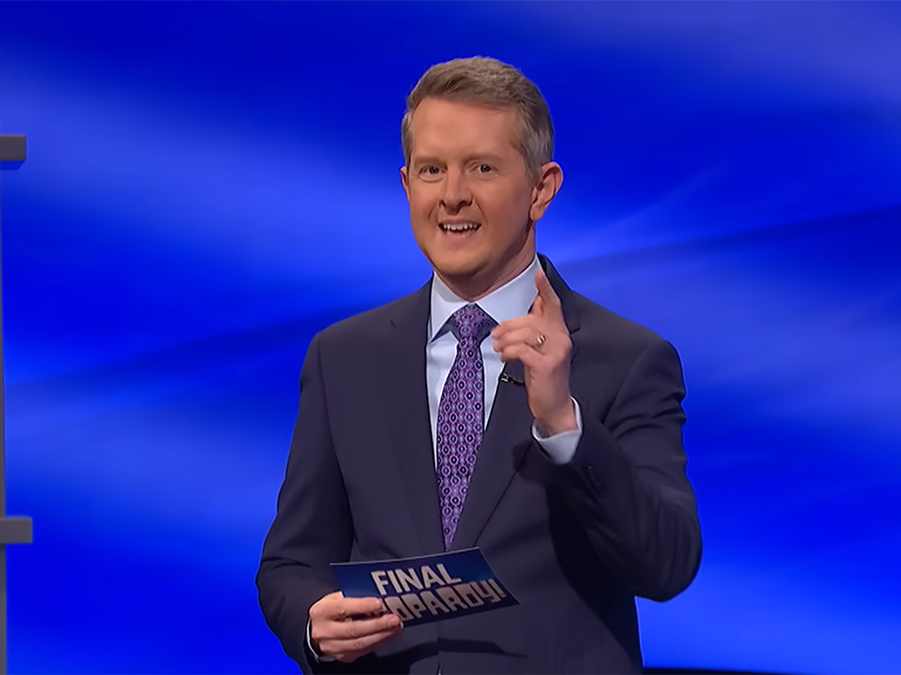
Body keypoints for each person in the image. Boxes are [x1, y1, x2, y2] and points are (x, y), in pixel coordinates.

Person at [256, 56, 702, 674]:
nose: (452, 195)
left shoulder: (626, 359)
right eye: (432, 169)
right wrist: (311, 620)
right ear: (407, 185)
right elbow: (290, 562)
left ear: (541, 189)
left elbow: (667, 564)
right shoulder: (342, 357)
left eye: (483, 168)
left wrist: (563, 424)